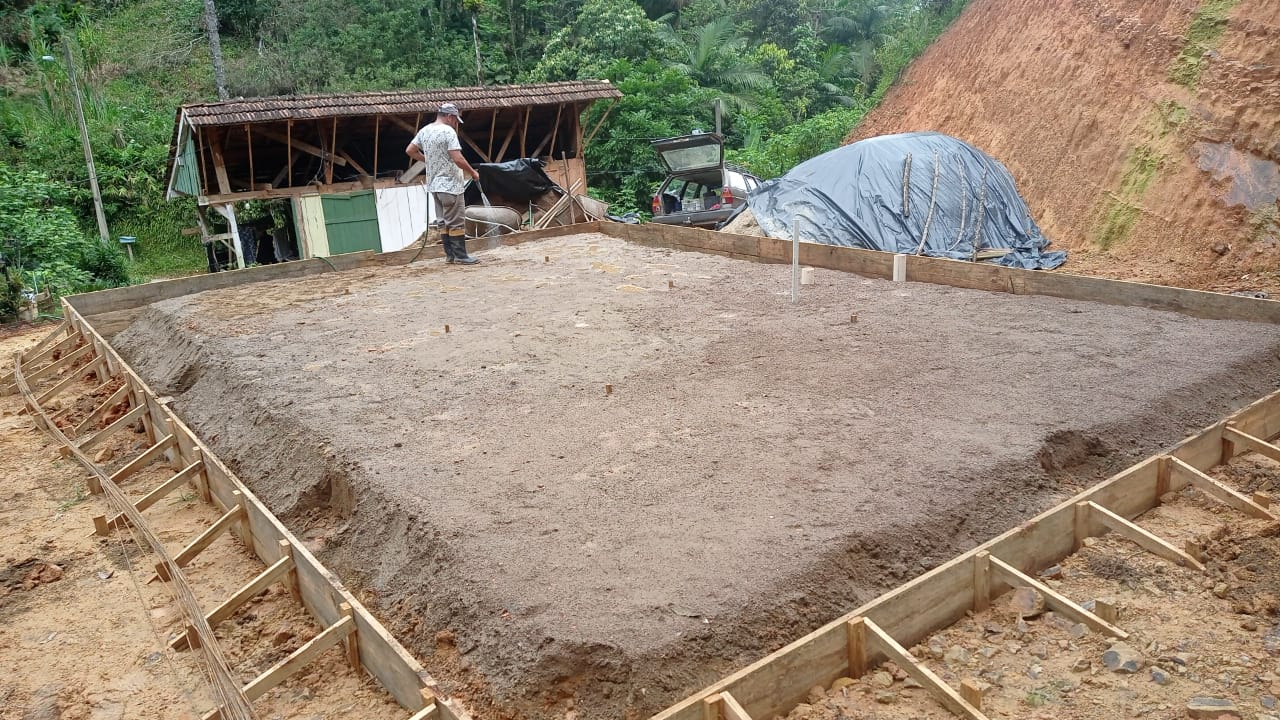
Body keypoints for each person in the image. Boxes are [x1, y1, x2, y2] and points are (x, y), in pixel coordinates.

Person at [405, 102, 482, 264]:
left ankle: (450, 255)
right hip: (451, 185)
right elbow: (457, 158)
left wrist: (427, 159)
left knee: (443, 221)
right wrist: (472, 172)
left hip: (434, 186)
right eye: (455, 120)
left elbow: (410, 150)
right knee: (456, 221)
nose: (456, 124)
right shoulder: (448, 132)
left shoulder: (424, 131)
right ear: (449, 117)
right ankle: (461, 255)